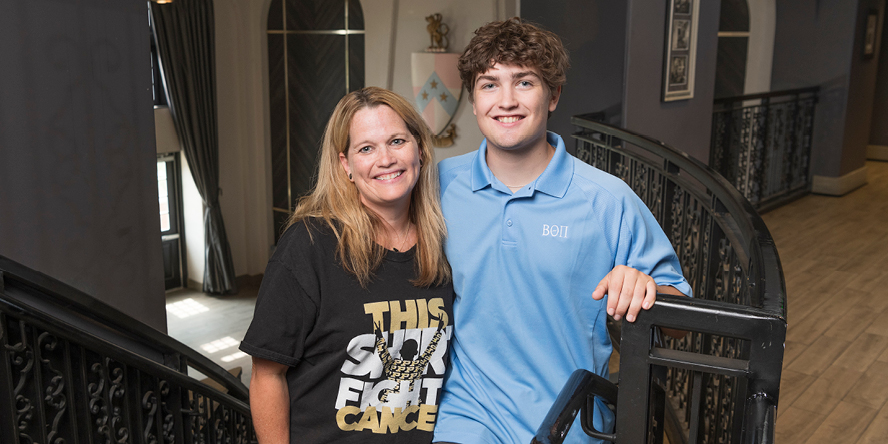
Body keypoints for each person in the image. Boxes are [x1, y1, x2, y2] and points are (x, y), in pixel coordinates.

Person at [432, 18, 692, 444]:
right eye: (490, 85)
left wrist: (645, 287)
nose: (507, 101)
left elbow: (681, 321)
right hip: (466, 414)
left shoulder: (607, 199)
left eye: (525, 83)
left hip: (572, 420)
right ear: (474, 101)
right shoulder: (439, 185)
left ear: (553, 96)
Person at [240, 87, 453, 444]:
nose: (385, 159)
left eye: (397, 141)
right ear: (346, 165)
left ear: (420, 150)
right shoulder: (310, 244)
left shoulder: (446, 241)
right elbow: (266, 376)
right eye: (366, 148)